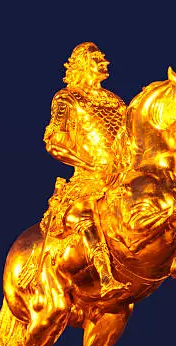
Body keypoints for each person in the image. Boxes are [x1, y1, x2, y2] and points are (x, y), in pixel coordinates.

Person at [41, 42, 129, 297]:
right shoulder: (66, 98)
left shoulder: (116, 101)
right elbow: (54, 144)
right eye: (97, 58)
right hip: (88, 178)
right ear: (81, 65)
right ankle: (104, 275)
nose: (105, 62)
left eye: (103, 57)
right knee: (84, 212)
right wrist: (89, 164)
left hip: (121, 174)